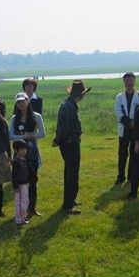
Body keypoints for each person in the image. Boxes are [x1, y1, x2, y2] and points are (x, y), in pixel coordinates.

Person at [53, 80, 90, 215]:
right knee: (71, 174)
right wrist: (58, 140)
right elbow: (64, 128)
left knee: (73, 172)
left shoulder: (69, 105)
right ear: (80, 94)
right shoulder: (68, 107)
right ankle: (68, 205)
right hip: (70, 144)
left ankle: (71, 200)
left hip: (70, 142)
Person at [9, 92, 46, 217]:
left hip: (32, 154)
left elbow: (42, 133)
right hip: (18, 156)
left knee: (32, 181)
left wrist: (32, 135)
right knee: (20, 183)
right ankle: (21, 209)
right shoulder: (14, 118)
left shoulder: (36, 116)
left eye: (23, 101)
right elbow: (10, 136)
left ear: (28, 101)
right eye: (18, 102)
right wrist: (22, 136)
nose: (21, 104)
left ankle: (32, 209)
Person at [113, 72, 139, 184]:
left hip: (136, 129)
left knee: (134, 153)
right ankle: (121, 176)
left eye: (131, 80)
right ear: (124, 82)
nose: (129, 83)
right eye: (127, 81)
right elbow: (118, 112)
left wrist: (136, 123)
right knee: (122, 153)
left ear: (134, 81)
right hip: (124, 128)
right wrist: (129, 122)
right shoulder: (119, 97)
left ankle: (131, 175)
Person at [11, 139, 36, 225]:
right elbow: (14, 175)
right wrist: (15, 186)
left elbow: (30, 171)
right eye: (22, 149)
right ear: (16, 151)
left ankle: (21, 217)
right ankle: (20, 219)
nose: (24, 151)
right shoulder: (16, 162)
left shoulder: (25, 159)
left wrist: (33, 178)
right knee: (22, 202)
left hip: (25, 184)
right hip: (20, 185)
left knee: (24, 201)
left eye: (25, 149)